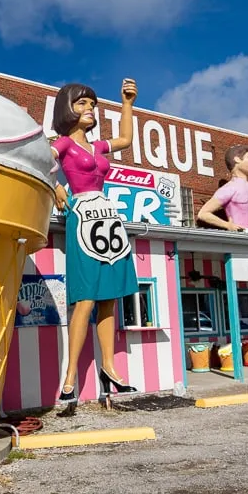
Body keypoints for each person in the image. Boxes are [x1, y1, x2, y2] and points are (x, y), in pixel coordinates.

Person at [51, 79, 141, 412]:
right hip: (82, 217)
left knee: (110, 298)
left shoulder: (99, 147)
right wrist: (56, 187)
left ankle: (110, 366)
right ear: (67, 109)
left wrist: (127, 103)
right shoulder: (62, 145)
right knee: (85, 298)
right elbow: (38, 160)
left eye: (92, 104)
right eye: (82, 104)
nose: (89, 109)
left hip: (108, 217)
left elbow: (127, 140)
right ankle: (70, 373)